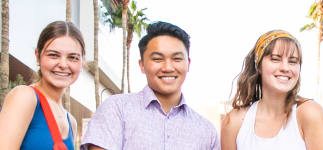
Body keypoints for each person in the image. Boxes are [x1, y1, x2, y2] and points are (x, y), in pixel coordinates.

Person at [81, 21, 219, 150]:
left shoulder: (207, 131)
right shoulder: (116, 109)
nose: (168, 67)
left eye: (177, 59)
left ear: (188, 63)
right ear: (142, 65)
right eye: (158, 59)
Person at [221, 30, 323, 150]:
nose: (285, 68)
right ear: (258, 65)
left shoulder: (310, 113)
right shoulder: (234, 122)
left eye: (292, 61)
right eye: (275, 59)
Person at [0, 21, 84, 150]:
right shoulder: (24, 97)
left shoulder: (71, 122)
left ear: (82, 61)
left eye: (72, 57)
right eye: (53, 55)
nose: (63, 64)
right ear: (38, 56)